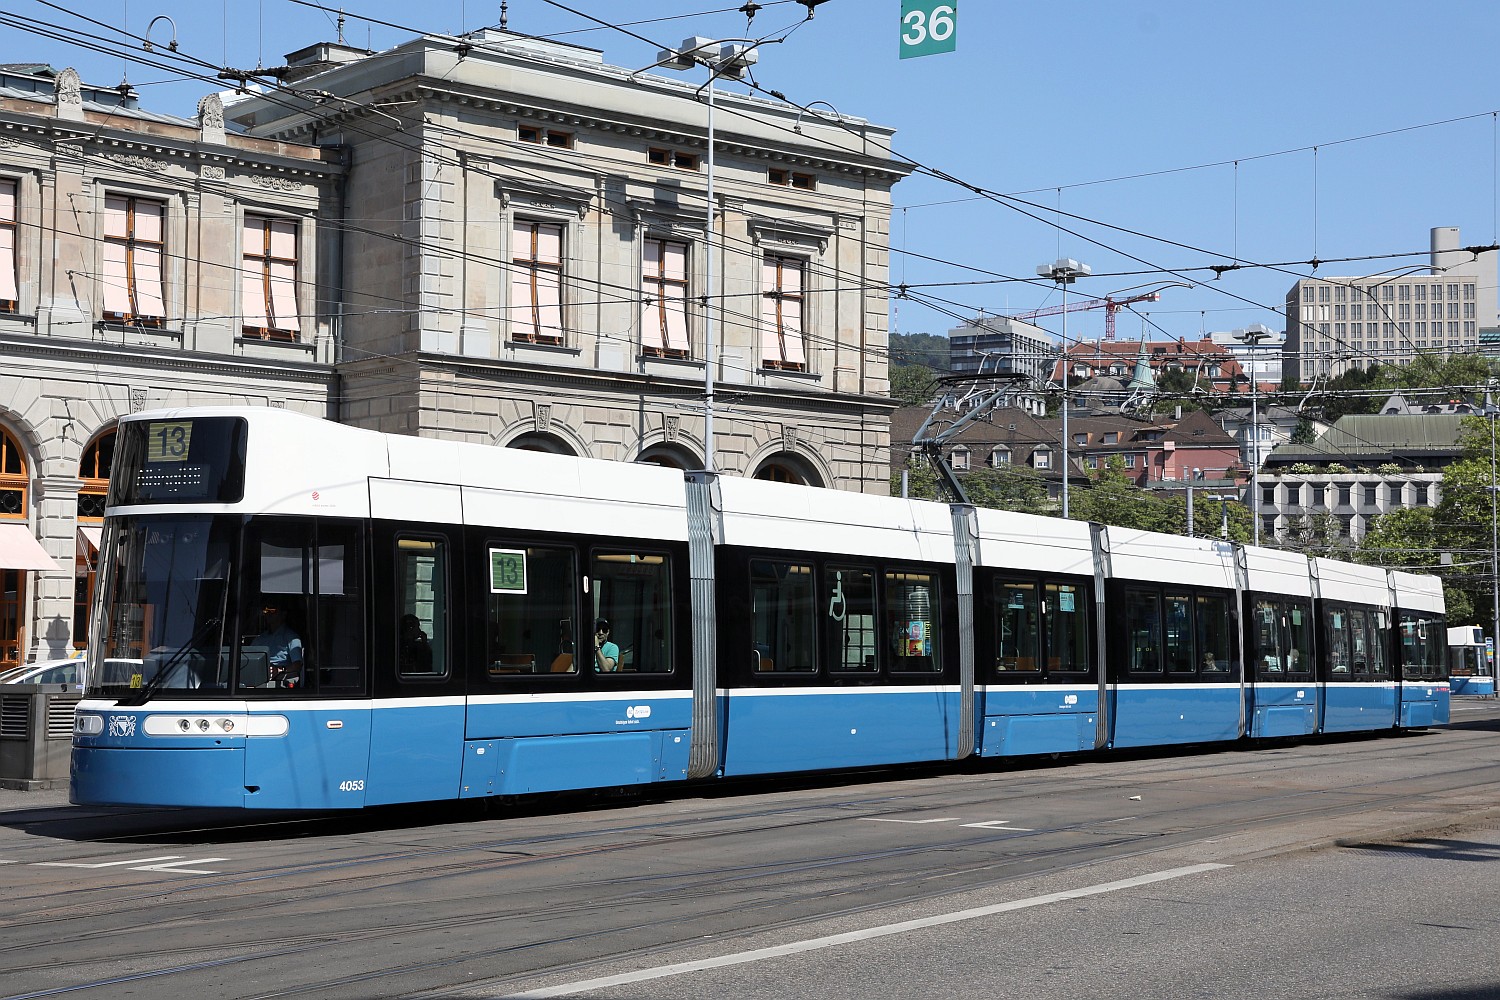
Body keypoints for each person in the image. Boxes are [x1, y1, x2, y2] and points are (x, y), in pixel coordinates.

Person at [251, 600, 303, 686]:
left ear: (283, 614)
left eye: (272, 610)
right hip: (257, 675)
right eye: (266, 610)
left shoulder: (291, 637)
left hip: (279, 679)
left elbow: (297, 665)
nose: (268, 614)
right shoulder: (260, 638)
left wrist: (279, 670)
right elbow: (249, 657)